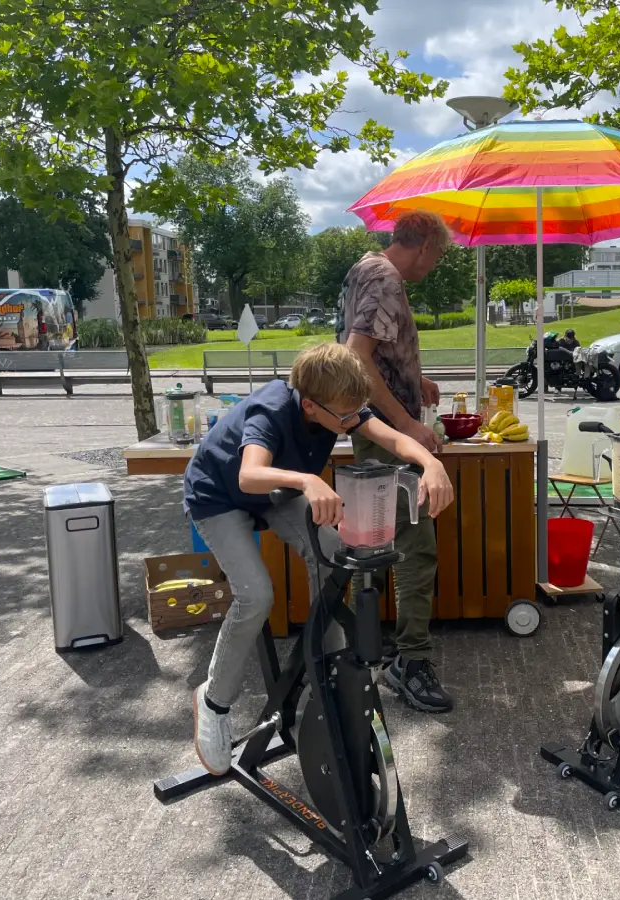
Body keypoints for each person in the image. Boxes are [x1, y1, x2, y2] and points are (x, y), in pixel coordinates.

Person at [183, 342, 454, 775]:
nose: (352, 424)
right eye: (345, 418)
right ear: (310, 404)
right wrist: (309, 480)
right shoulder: (270, 412)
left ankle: (326, 672)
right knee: (256, 595)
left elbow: (392, 437)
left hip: (279, 491)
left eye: (355, 414)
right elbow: (249, 474)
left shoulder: (338, 404)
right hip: (219, 497)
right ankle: (214, 701)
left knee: (333, 553)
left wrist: (430, 465)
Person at [337, 210, 455, 713]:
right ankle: (410, 661)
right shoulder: (386, 278)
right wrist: (406, 424)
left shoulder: (365, 266)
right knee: (414, 543)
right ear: (425, 242)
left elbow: (376, 355)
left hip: (371, 428)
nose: (437, 264)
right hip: (385, 434)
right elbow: (357, 356)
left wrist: (415, 381)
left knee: (374, 542)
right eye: (441, 253)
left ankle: (365, 645)